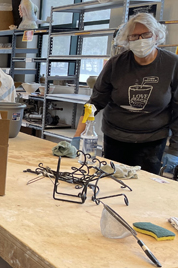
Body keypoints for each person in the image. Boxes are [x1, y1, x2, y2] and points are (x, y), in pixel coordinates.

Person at [72, 13, 178, 175]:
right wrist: (77, 136)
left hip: (152, 142)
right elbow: (94, 104)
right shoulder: (116, 64)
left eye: (146, 34)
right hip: (115, 138)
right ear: (127, 40)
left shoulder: (172, 64)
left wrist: (175, 150)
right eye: (134, 36)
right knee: (112, 181)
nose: (140, 40)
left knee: (144, 186)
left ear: (157, 36)